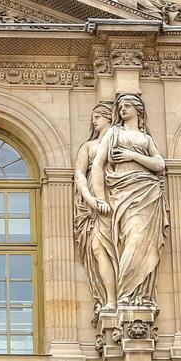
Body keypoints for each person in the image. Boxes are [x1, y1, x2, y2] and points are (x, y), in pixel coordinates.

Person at [90, 92, 168, 306]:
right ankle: (126, 295)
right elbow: (97, 165)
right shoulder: (113, 133)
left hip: (147, 193)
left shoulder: (146, 139)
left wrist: (133, 156)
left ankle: (135, 297)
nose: (123, 109)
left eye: (127, 106)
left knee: (141, 241)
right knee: (131, 240)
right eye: (121, 106)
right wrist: (100, 198)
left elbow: (160, 165)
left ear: (138, 110)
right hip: (121, 193)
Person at [72, 102, 118, 314]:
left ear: (110, 117)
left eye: (99, 116)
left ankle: (122, 299)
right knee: (99, 249)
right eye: (93, 116)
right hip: (95, 206)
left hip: (119, 200)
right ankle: (110, 299)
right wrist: (91, 199)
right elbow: (80, 174)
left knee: (120, 250)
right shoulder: (88, 147)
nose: (94, 120)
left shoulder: (120, 139)